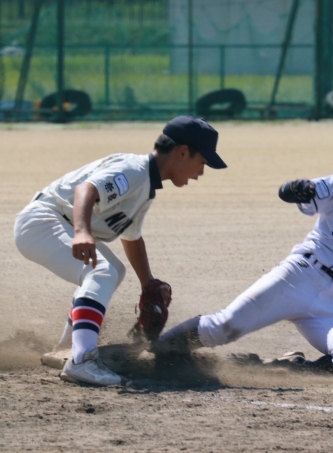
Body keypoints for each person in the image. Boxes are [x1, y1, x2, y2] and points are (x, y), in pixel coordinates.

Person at [152, 132, 333, 380]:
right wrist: (294, 190)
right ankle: (153, 352)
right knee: (225, 326)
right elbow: (300, 192)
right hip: (298, 276)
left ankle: (290, 367)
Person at [14, 116, 227, 386]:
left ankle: (66, 349)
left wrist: (147, 282)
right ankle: (81, 360)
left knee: (115, 270)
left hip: (54, 222)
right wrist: (82, 231)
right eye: (202, 162)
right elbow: (86, 190)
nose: (201, 172)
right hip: (42, 222)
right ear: (183, 153)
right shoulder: (134, 170)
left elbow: (132, 238)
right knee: (101, 272)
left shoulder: (145, 186)